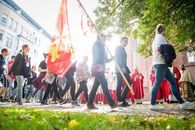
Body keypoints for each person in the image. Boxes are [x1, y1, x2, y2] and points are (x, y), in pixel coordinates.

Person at [150, 24, 192, 110]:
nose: (165, 33)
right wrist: (168, 51)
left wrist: (169, 47)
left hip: (161, 63)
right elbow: (159, 49)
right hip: (161, 63)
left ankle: (182, 103)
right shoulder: (160, 37)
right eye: (165, 31)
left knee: (172, 82)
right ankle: (152, 104)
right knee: (157, 83)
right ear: (163, 30)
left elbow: (162, 48)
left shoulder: (155, 39)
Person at [87, 34, 117, 109]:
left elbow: (105, 59)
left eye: (105, 39)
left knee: (95, 87)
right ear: (99, 38)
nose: (105, 40)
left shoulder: (102, 47)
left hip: (100, 68)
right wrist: (102, 44)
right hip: (98, 68)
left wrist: (111, 58)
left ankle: (89, 103)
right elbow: (99, 55)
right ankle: (112, 103)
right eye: (104, 39)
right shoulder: (97, 44)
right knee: (104, 84)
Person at [115, 37, 132, 107]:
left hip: (123, 68)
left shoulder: (122, 49)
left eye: (127, 42)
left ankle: (122, 99)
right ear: (121, 41)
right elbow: (119, 58)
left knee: (129, 82)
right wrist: (122, 67)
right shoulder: (118, 48)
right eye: (125, 41)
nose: (126, 43)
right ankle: (120, 100)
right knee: (120, 83)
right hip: (120, 68)